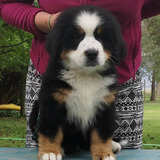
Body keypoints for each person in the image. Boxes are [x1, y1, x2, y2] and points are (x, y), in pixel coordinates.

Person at [0, 0, 160, 149]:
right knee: (48, 149)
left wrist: (127, 15)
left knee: (120, 153)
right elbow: (8, 3)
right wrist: (47, 21)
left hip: (120, 78)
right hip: (53, 77)